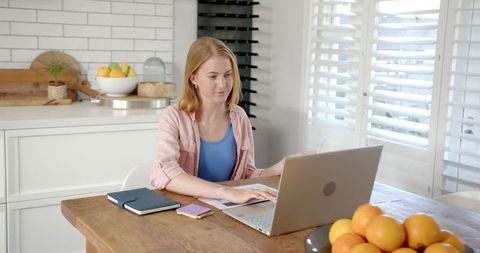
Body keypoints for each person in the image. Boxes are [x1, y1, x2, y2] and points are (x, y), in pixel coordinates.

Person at [150, 37, 285, 203]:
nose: (223, 84)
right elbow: (165, 173)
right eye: (213, 77)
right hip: (185, 210)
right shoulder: (173, 117)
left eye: (228, 75)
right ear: (194, 79)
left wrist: (280, 167)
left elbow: (246, 174)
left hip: (225, 211)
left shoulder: (239, 117)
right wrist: (225, 192)